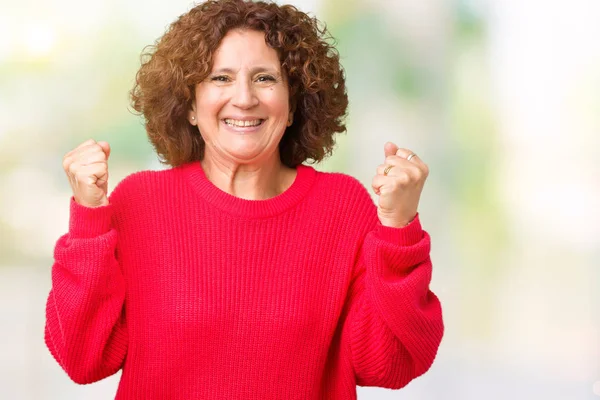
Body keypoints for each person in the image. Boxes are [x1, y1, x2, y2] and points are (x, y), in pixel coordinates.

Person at [44, 0, 444, 398]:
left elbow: (389, 365)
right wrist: (90, 220)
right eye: (220, 78)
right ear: (190, 108)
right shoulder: (139, 203)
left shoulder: (342, 206)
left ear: (293, 106)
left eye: (265, 78)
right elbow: (83, 360)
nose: (245, 98)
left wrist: (398, 228)